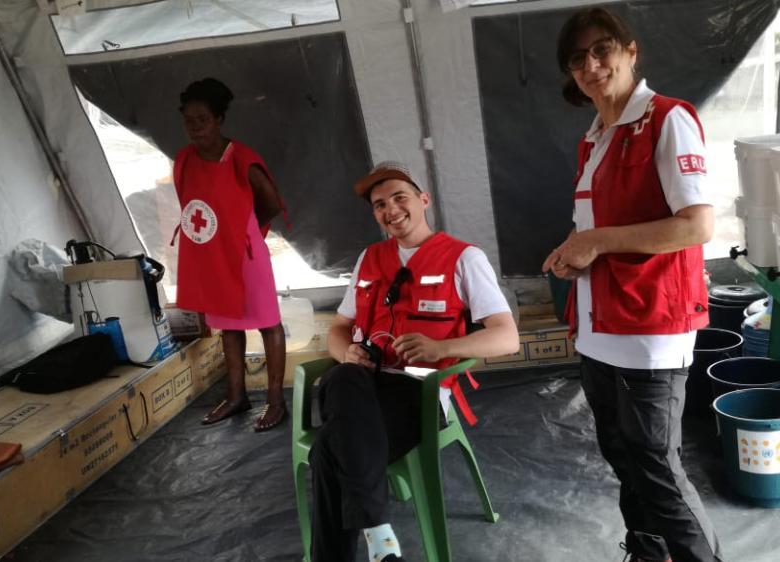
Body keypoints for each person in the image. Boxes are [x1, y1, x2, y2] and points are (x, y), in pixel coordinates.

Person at [543, 8, 723, 562]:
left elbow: (697, 225)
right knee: (622, 452)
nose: (592, 65)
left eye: (602, 50)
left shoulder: (666, 119)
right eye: (579, 58)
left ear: (630, 51)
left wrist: (596, 242)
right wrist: (577, 252)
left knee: (655, 464)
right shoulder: (595, 137)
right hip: (599, 325)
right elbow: (600, 231)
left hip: (651, 326)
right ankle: (647, 552)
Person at [311, 161, 520, 562]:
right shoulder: (369, 258)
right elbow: (339, 328)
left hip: (418, 392)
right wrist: (345, 351)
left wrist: (442, 349)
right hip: (362, 383)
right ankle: (378, 534)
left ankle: (360, 541)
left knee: (327, 448)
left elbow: (507, 337)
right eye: (379, 205)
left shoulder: (464, 258)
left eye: (399, 198)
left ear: (424, 200)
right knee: (341, 377)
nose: (390, 210)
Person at [173, 77, 289, 432]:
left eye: (202, 120)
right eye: (188, 120)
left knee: (268, 322)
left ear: (220, 118)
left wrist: (243, 231)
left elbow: (270, 203)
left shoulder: (242, 159)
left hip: (245, 255)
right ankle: (236, 395)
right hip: (212, 257)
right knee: (228, 326)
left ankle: (275, 401)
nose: (195, 128)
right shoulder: (185, 159)